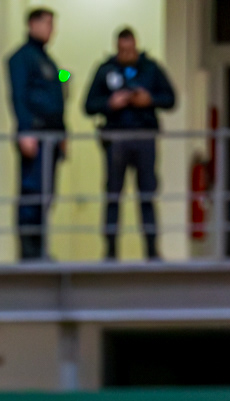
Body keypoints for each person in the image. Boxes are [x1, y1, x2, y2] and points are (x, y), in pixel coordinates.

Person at [84, 28, 176, 260]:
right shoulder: (105, 70)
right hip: (115, 140)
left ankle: (152, 251)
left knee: (147, 195)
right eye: (122, 50)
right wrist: (110, 103)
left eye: (130, 50)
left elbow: (171, 99)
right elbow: (88, 105)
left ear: (136, 46)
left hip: (144, 137)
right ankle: (110, 252)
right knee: (113, 195)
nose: (127, 54)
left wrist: (149, 100)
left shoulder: (151, 68)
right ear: (116, 48)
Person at [7, 7, 67, 261]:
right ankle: (29, 253)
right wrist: (25, 131)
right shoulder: (21, 58)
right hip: (35, 136)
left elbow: (57, 96)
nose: (51, 30)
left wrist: (63, 133)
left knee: (46, 196)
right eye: (47, 24)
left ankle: (40, 249)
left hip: (51, 138)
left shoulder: (48, 61)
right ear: (32, 24)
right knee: (31, 194)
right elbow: (19, 97)